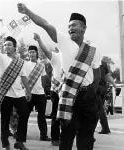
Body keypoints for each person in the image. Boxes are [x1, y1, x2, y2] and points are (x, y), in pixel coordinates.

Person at [17, 4, 102, 149]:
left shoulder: (93, 49)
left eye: (74, 25)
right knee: (67, 134)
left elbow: (97, 73)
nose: (70, 28)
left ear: (84, 28)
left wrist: (91, 92)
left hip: (88, 97)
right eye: (69, 26)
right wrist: (28, 12)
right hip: (69, 96)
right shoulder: (64, 40)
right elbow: (45, 24)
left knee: (86, 136)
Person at [0, 32, 32, 150]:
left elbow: (23, 77)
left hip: (19, 94)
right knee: (5, 119)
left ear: (14, 47)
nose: (6, 47)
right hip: (5, 94)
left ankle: (19, 141)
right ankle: (5, 144)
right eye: (4, 45)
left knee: (25, 113)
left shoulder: (20, 62)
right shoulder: (1, 58)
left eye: (9, 45)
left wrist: (28, 91)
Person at [33, 33, 63, 146]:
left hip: (70, 90)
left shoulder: (74, 57)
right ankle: (55, 138)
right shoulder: (56, 56)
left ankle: (67, 136)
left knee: (71, 115)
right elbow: (45, 51)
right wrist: (39, 40)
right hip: (56, 89)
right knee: (55, 114)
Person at [24, 45, 51, 141]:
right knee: (25, 115)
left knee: (42, 116)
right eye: (30, 52)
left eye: (33, 52)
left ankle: (43, 135)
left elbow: (44, 79)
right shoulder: (25, 64)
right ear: (28, 54)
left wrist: (41, 89)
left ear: (36, 53)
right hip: (29, 93)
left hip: (40, 94)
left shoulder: (41, 65)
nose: (31, 54)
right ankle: (21, 134)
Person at [96, 60, 117, 134]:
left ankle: (105, 128)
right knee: (98, 108)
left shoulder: (90, 60)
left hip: (96, 87)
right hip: (103, 88)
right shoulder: (103, 63)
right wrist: (114, 85)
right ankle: (102, 128)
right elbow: (108, 76)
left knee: (99, 108)